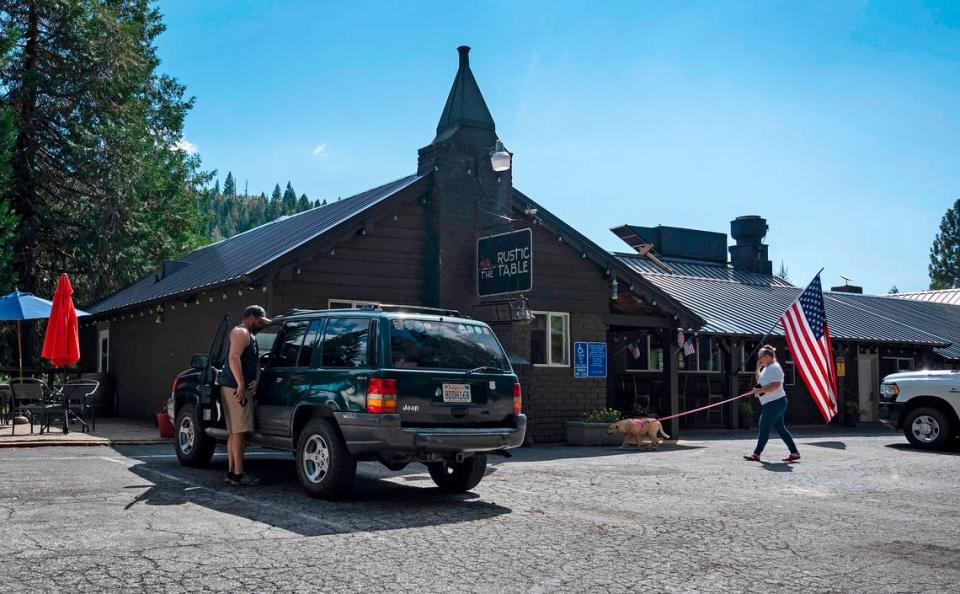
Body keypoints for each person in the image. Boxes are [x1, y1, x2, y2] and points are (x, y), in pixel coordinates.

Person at [221, 305, 271, 485]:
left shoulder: (252, 336)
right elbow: (233, 358)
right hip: (234, 388)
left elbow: (256, 362)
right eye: (260, 321)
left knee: (235, 433)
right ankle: (239, 475)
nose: (261, 324)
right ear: (250, 317)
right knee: (239, 432)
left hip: (239, 387)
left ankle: (232, 473)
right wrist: (241, 384)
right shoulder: (240, 332)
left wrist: (256, 380)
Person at [743, 345, 801, 463]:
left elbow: (775, 385)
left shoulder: (774, 367)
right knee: (780, 427)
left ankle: (756, 454)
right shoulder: (767, 368)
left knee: (763, 425)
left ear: (768, 356)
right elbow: (759, 381)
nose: (759, 359)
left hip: (775, 403)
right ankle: (794, 452)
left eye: (761, 357)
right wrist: (758, 369)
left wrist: (760, 391)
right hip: (773, 403)